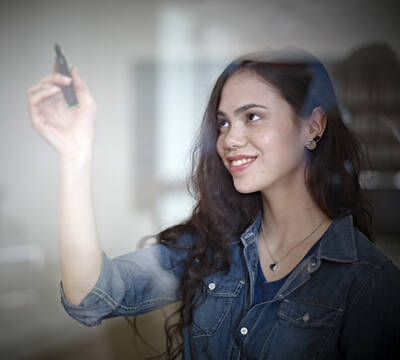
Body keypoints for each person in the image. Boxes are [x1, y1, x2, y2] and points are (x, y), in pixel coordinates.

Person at [27, 47, 400, 359]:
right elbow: (91, 297)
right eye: (222, 123)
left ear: (313, 126)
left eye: (251, 117)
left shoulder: (368, 281)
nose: (229, 139)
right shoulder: (208, 247)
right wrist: (75, 156)